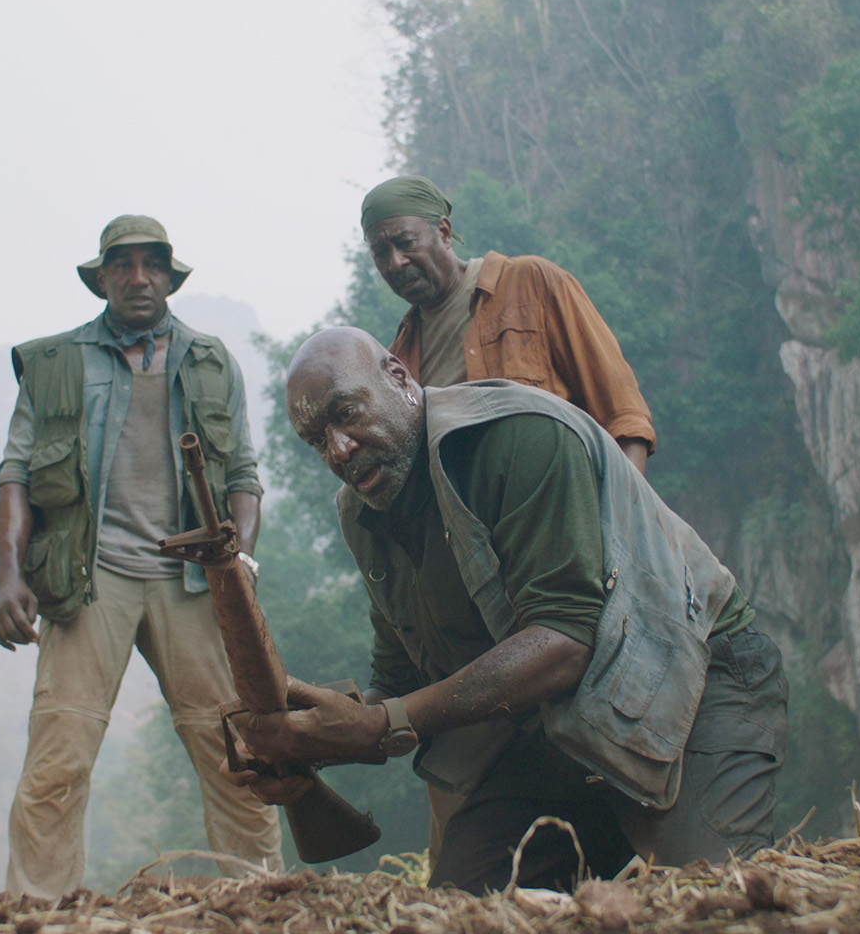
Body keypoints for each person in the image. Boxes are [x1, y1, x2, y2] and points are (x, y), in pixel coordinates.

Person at [231, 327, 787, 894]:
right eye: (317, 440)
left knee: (712, 900)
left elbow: (566, 639)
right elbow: (401, 678)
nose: (340, 450)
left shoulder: (516, 435)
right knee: (457, 911)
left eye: (346, 413)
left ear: (398, 378)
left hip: (693, 678)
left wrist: (380, 726)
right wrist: (306, 740)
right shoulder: (363, 512)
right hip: (552, 727)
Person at [0, 214, 282, 898]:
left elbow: (243, 473)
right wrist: (8, 574)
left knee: (238, 751)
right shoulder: (55, 363)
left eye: (152, 264)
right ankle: (38, 906)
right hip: (90, 580)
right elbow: (16, 475)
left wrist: (241, 558)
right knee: (58, 757)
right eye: (123, 265)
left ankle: (262, 899)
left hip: (192, 584)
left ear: (171, 276)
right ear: (101, 277)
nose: (138, 278)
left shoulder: (211, 361)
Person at [361, 176, 655, 474]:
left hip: (562, 501)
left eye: (406, 243)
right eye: (381, 254)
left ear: (444, 232)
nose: (395, 262)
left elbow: (624, 416)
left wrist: (623, 512)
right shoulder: (397, 362)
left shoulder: (533, 283)